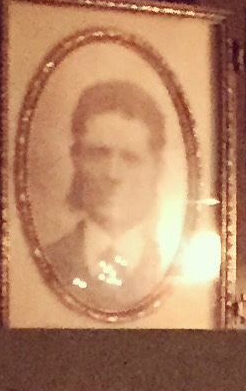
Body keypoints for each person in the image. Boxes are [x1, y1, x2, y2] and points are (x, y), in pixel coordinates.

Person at [38, 78, 172, 314]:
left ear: (157, 169)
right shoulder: (45, 262)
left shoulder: (172, 267)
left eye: (130, 158)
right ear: (77, 158)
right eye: (98, 154)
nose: (112, 174)